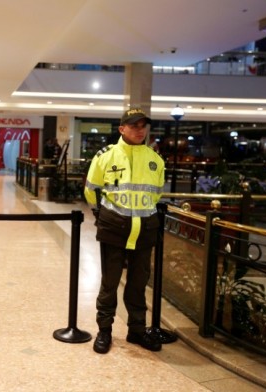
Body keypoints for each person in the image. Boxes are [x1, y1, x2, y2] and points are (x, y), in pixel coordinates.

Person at [84, 108, 165, 354]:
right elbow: (91, 190)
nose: (140, 130)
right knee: (109, 284)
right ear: (122, 129)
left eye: (143, 126)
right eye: (134, 125)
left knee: (138, 284)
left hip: (145, 229)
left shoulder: (155, 159)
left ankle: (137, 331)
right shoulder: (106, 156)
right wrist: (103, 215)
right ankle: (104, 331)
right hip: (114, 229)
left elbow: (157, 194)